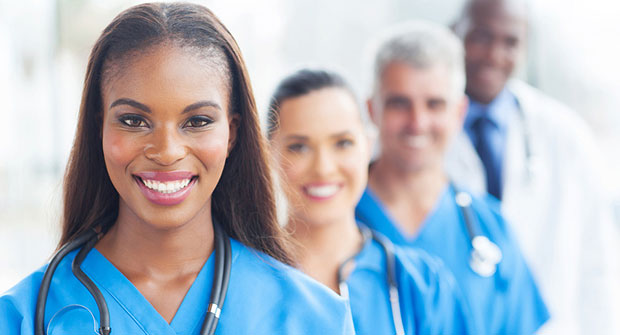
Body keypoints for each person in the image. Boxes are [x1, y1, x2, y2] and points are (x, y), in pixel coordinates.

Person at [0, 3, 355, 334]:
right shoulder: (23, 316)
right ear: (99, 128)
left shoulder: (316, 317)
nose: (167, 152)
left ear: (232, 132)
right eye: (134, 121)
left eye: (198, 121)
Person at [354, 21, 549, 334]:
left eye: (435, 104)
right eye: (399, 103)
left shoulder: (491, 228)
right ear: (371, 110)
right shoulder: (336, 219)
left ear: (459, 113)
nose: (417, 122)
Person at [447, 0, 620, 333]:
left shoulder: (564, 134)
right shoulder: (421, 132)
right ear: (455, 32)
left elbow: (598, 262)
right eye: (481, 36)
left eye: (510, 42)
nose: (494, 55)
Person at [267, 69, 475, 335]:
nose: (323, 168)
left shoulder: (422, 286)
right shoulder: (240, 282)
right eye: (299, 147)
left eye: (342, 143)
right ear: (267, 153)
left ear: (367, 146)